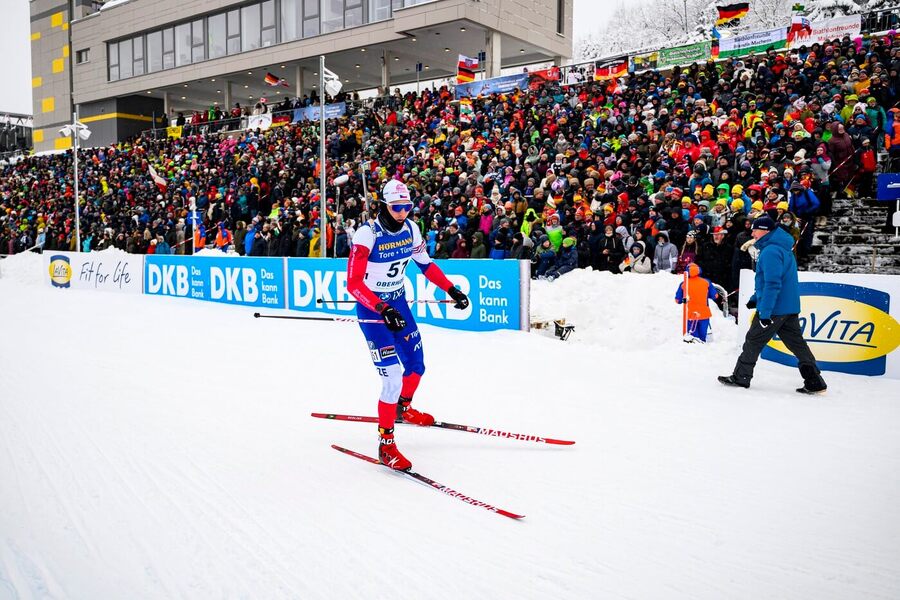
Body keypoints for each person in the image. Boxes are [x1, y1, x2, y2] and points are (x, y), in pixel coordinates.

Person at [346, 179, 470, 471]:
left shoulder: (412, 229)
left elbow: (425, 264)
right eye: (397, 207)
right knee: (391, 379)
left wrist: (450, 290)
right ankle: (386, 445)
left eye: (407, 207)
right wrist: (381, 307)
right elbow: (353, 284)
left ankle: (403, 407)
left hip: (398, 303)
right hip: (372, 309)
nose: (402, 212)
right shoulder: (367, 235)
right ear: (384, 205)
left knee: (416, 365)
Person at [718, 217, 827, 394]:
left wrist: (765, 312)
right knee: (798, 345)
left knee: (753, 340)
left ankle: (741, 377)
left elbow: (772, 284)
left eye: (755, 230)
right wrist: (756, 297)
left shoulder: (770, 251)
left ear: (765, 231)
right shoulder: (783, 249)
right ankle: (814, 381)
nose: (752, 233)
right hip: (788, 307)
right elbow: (772, 281)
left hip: (774, 309)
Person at [675, 263, 719, 343]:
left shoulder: (684, 284)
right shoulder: (706, 282)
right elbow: (715, 296)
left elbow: (677, 300)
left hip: (690, 315)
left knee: (693, 339)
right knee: (702, 338)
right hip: (704, 314)